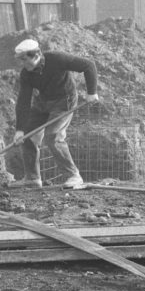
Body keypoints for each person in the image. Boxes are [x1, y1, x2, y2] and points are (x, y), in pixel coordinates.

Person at [10, 38, 100, 189]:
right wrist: (20, 129)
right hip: (43, 102)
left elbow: (88, 65)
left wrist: (92, 93)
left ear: (36, 55)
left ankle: (74, 176)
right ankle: (32, 178)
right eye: (21, 61)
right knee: (27, 136)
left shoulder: (57, 59)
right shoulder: (26, 74)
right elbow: (23, 102)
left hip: (64, 101)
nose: (23, 64)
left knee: (53, 136)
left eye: (25, 59)